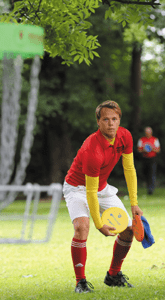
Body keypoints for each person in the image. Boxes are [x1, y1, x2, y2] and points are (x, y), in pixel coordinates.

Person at [63, 100, 143, 293]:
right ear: (98, 122)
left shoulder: (125, 136)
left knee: (128, 230)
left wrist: (134, 203)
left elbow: (129, 168)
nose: (111, 123)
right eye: (106, 119)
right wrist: (99, 224)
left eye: (114, 119)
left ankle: (113, 275)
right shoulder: (92, 148)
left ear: (119, 120)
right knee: (82, 228)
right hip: (77, 188)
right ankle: (80, 282)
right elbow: (89, 192)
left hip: (102, 187)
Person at [137, 127, 160, 195]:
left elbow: (158, 150)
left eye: (149, 132)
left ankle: (151, 189)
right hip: (144, 158)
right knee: (145, 173)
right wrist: (144, 149)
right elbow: (139, 150)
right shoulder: (141, 140)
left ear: (151, 132)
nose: (147, 133)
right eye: (146, 132)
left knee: (152, 173)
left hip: (152, 159)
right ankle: (147, 186)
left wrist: (151, 148)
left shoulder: (155, 139)